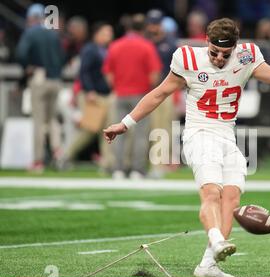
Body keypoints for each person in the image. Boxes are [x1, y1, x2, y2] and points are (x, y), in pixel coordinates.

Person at [103, 18, 270, 277]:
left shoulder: (247, 56)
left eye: (226, 54)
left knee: (232, 198)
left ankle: (208, 265)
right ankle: (216, 240)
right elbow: (158, 93)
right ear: (206, 42)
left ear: (235, 49)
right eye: (214, 52)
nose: (219, 59)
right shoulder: (188, 58)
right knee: (211, 192)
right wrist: (125, 124)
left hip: (227, 136)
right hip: (199, 134)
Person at [103, 14, 162, 179]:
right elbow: (154, 76)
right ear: (144, 29)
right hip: (140, 96)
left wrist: (117, 87)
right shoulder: (147, 46)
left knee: (117, 134)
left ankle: (118, 169)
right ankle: (137, 169)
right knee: (140, 135)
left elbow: (108, 74)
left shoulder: (115, 46)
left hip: (120, 94)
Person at [58, 22, 114, 171]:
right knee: (89, 130)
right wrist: (89, 91)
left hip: (104, 95)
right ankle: (65, 156)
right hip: (93, 95)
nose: (109, 36)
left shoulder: (105, 50)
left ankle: (107, 163)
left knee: (108, 130)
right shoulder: (90, 49)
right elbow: (84, 72)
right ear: (97, 33)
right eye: (106, 32)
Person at [16, 3, 65, 172]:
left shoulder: (31, 33)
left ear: (31, 18)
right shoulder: (53, 34)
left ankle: (38, 161)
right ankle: (58, 151)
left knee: (38, 120)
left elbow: (21, 53)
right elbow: (63, 56)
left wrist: (27, 67)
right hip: (56, 79)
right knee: (52, 118)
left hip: (39, 77)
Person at [145, 9, 179, 178]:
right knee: (145, 129)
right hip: (145, 91)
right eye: (151, 23)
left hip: (164, 92)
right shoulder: (145, 42)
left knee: (162, 128)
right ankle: (142, 164)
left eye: (156, 24)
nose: (153, 27)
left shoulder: (170, 43)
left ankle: (157, 165)